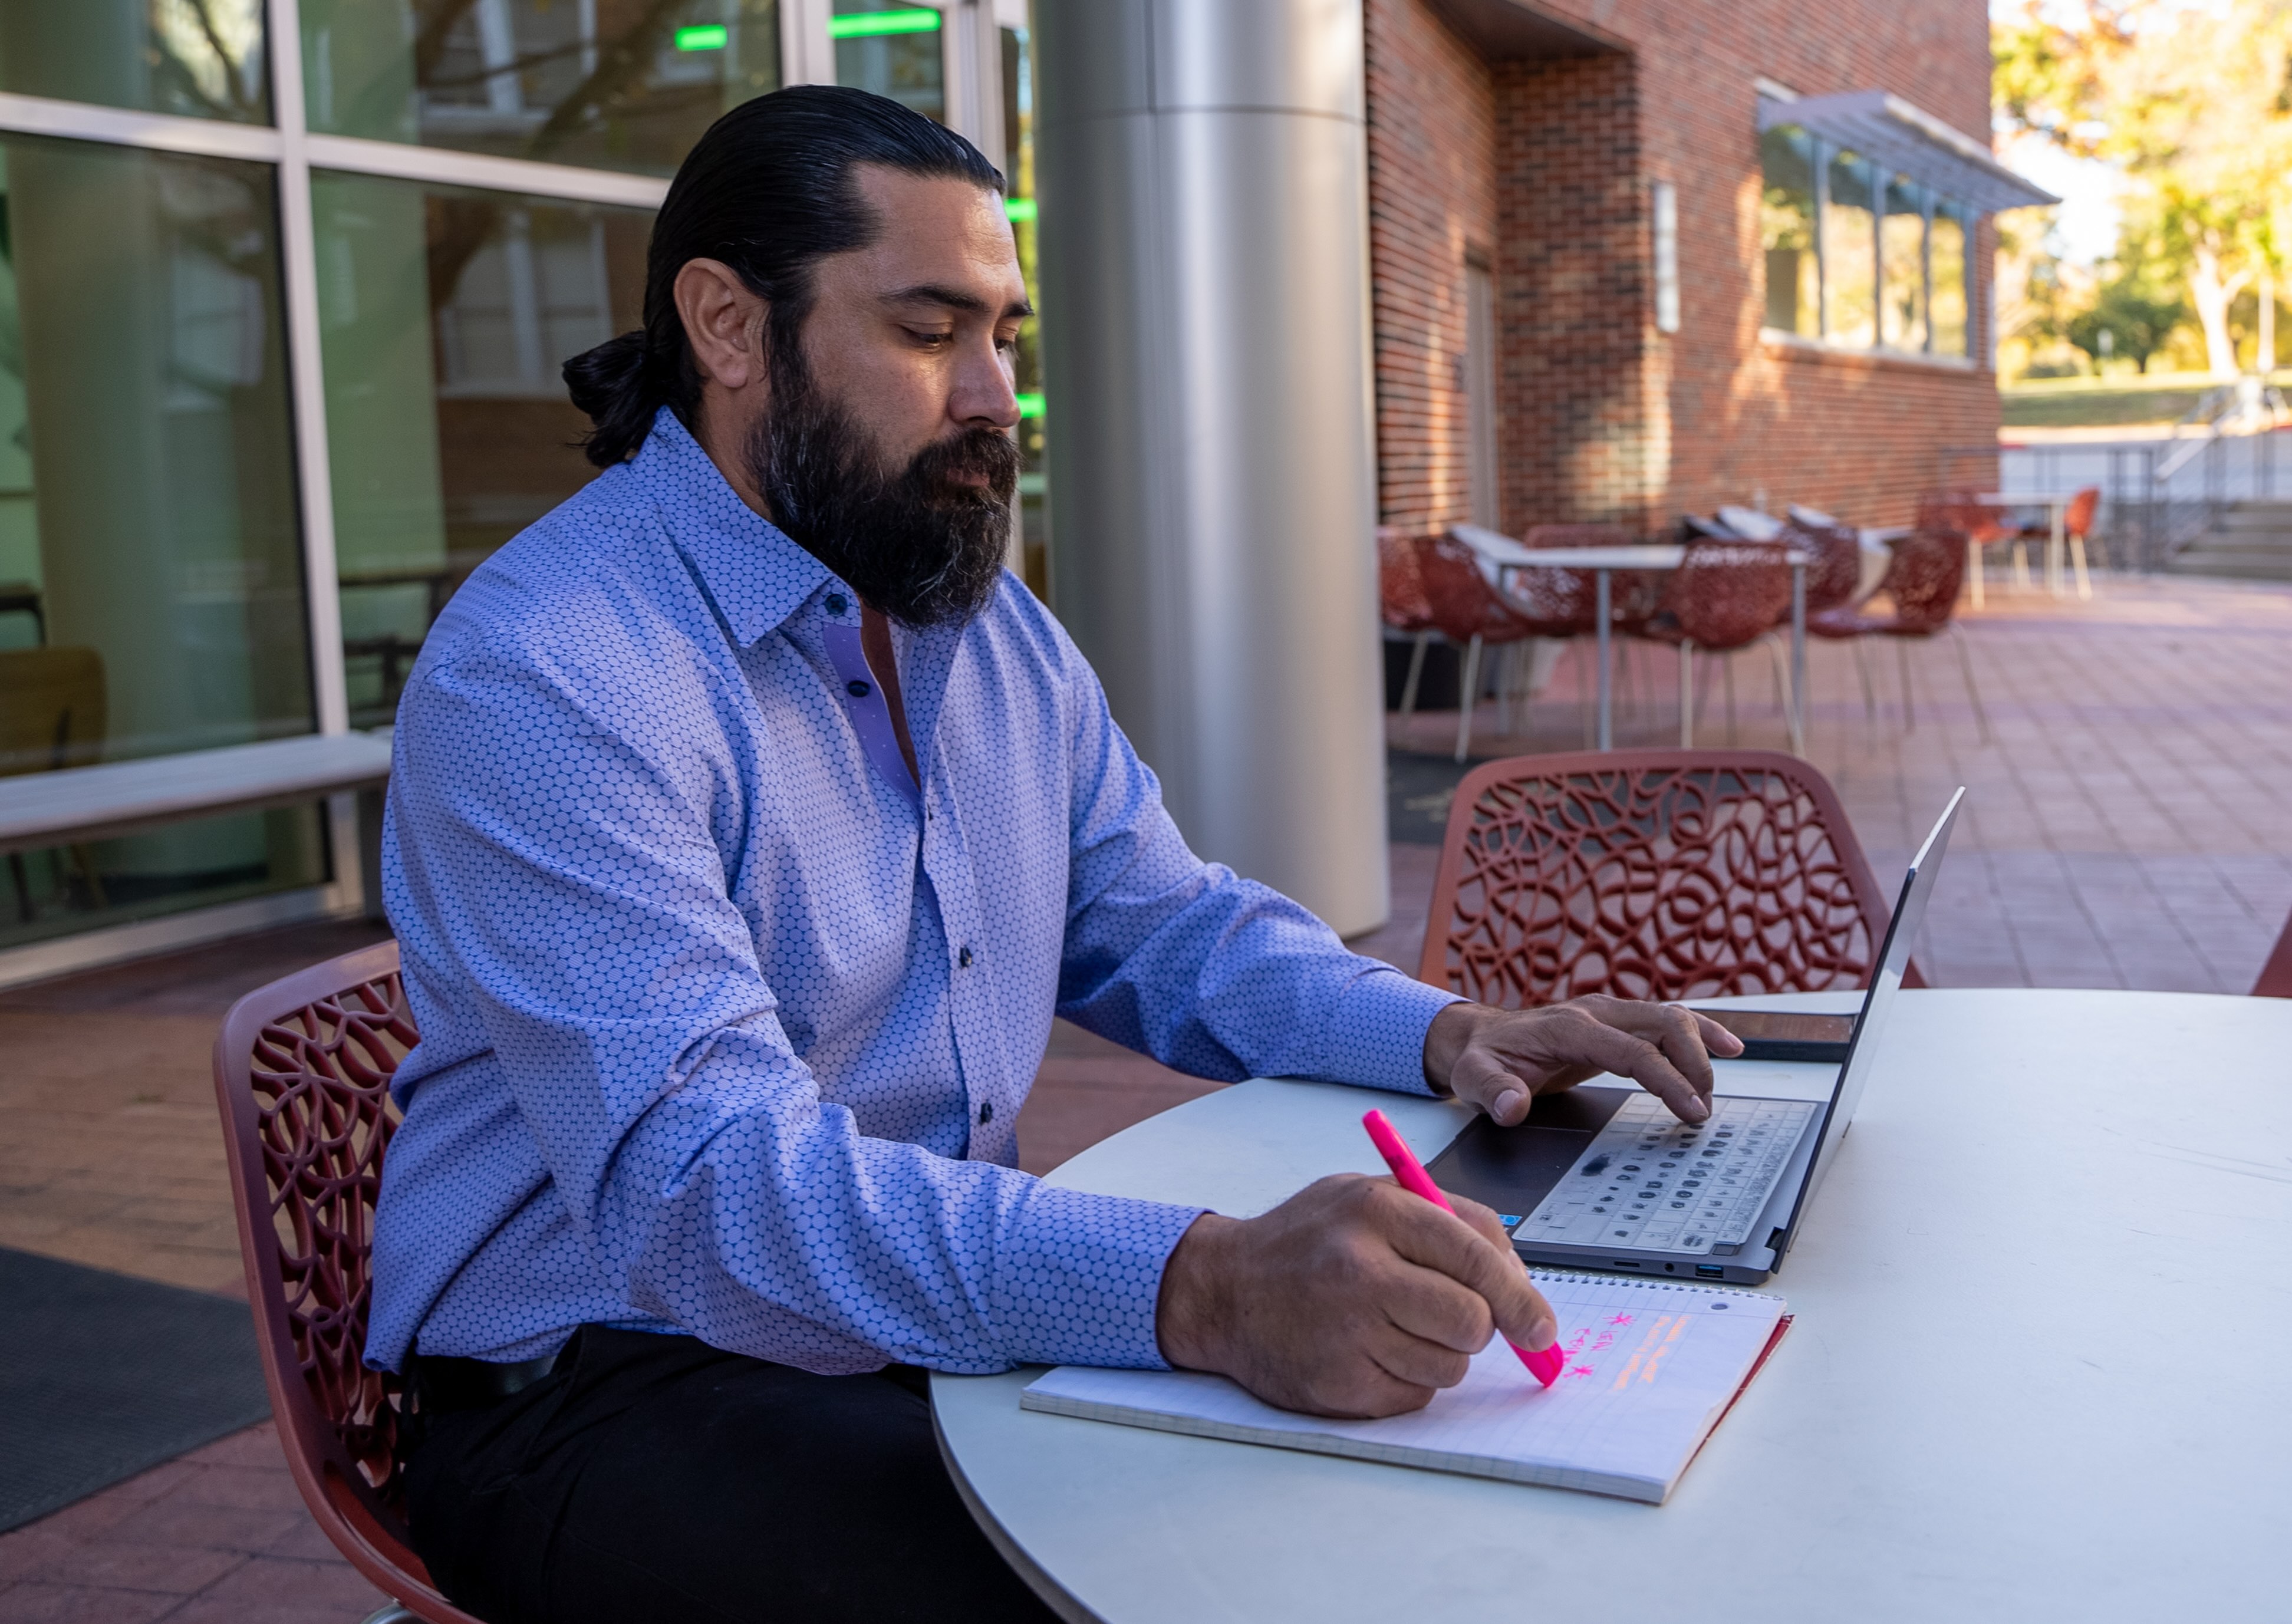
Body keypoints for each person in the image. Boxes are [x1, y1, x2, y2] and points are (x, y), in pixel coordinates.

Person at [370, 86, 1738, 1624]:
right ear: (728, 328)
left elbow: (1165, 925)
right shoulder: (554, 672)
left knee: (1351, 1504)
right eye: (925, 329)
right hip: (600, 1387)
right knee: (1151, 1586)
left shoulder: (975, 617)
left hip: (900, 1312)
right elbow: (713, 1193)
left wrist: (1450, 1031)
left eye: (1005, 335)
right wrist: (1208, 1287)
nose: (990, 394)